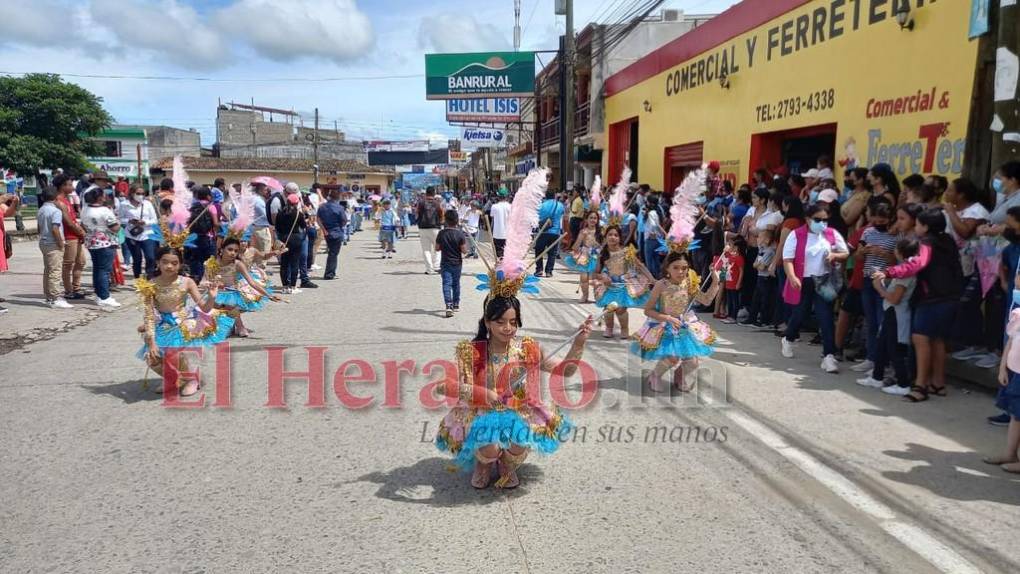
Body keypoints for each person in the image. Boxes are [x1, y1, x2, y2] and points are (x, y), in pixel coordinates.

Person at [877, 208, 964, 402]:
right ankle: (938, 384)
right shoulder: (947, 241)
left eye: (917, 224)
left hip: (931, 298)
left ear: (925, 227)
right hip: (951, 297)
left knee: (920, 338)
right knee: (937, 339)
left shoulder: (926, 243)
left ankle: (920, 386)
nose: (915, 227)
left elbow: (918, 264)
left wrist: (890, 272)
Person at [135, 246, 234, 397]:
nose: (169, 266)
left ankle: (192, 380)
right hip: (162, 325)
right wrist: (152, 341)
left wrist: (212, 297)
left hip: (181, 324)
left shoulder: (187, 282)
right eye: (165, 262)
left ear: (180, 264)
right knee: (152, 358)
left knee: (174, 355)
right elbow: (148, 315)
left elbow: (205, 308)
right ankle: (173, 379)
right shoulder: (150, 285)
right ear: (157, 263)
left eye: (174, 263)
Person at [633, 251, 721, 392]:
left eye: (684, 268)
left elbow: (706, 300)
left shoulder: (690, 283)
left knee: (693, 362)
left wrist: (715, 281)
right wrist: (668, 318)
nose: (680, 272)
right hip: (665, 326)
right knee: (672, 358)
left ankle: (679, 375)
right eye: (676, 267)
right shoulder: (661, 285)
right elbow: (648, 310)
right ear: (667, 268)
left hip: (684, 325)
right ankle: (655, 376)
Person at [781, 204, 850, 373]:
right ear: (807, 219)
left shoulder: (831, 234)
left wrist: (834, 255)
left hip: (824, 281)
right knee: (800, 313)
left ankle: (829, 356)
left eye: (825, 220)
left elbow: (845, 253)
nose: (822, 223)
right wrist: (792, 277)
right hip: (803, 281)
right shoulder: (796, 235)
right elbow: (787, 259)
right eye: (818, 220)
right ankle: (788, 338)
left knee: (825, 317)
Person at [944, 178, 995, 367]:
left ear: (961, 194)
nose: (947, 194)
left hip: (976, 265)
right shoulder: (954, 209)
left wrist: (950, 212)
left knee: (968, 303)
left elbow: (965, 232)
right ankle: (963, 342)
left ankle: (976, 343)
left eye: (951, 190)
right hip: (955, 265)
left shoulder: (977, 211)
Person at [857, 238, 919, 394]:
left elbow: (895, 298)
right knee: (882, 345)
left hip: (897, 313)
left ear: (900, 252)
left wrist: (879, 288)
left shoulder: (906, 272)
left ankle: (903, 384)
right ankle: (877, 377)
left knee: (894, 348)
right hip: (891, 311)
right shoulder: (902, 269)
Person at [854, 202, 899, 374]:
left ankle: (883, 361)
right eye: (876, 220)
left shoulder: (896, 235)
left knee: (882, 321)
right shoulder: (868, 232)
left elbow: (898, 261)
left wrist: (885, 254)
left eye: (883, 220)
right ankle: (871, 358)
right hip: (868, 279)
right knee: (871, 321)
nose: (879, 223)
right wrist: (863, 251)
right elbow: (858, 256)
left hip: (885, 280)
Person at [207, 237, 280, 337]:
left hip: (232, 293)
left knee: (230, 303)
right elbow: (204, 280)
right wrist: (211, 283)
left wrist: (268, 295)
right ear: (222, 249)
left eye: (236, 251)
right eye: (230, 249)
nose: (233, 253)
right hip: (216, 293)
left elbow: (252, 282)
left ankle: (240, 326)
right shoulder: (212, 263)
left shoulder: (238, 264)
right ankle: (230, 326)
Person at [596, 225, 654, 338]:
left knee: (620, 309)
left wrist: (652, 279)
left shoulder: (626, 252)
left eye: (616, 235)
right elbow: (595, 273)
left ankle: (624, 328)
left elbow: (640, 266)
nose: (613, 237)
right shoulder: (602, 254)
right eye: (610, 235)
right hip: (609, 287)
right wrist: (603, 277)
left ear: (620, 238)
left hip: (623, 286)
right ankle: (609, 328)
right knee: (608, 309)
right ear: (605, 237)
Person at [80, 187, 124, 308]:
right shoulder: (104, 210)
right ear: (99, 198)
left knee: (97, 269)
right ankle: (104, 296)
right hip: (105, 242)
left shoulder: (85, 209)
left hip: (92, 241)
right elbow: (114, 227)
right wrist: (119, 223)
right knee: (104, 270)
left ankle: (99, 294)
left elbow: (83, 225)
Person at [52, 174, 88, 300]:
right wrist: (81, 232)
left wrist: (80, 231)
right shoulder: (59, 202)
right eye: (69, 184)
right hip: (68, 236)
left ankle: (76, 287)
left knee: (81, 262)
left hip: (75, 234)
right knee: (68, 264)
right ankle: (68, 290)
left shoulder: (67, 199)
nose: (72, 187)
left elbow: (73, 220)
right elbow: (68, 222)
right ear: (62, 186)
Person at [36, 186, 72, 309]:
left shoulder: (41, 210)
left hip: (44, 242)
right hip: (53, 243)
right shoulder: (56, 211)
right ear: (56, 197)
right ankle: (55, 297)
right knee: (55, 271)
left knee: (48, 270)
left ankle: (49, 296)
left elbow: (39, 227)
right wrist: (61, 243)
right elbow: (55, 229)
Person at [118, 184, 159, 279]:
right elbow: (120, 219)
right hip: (132, 234)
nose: (141, 195)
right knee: (137, 259)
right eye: (138, 193)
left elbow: (154, 220)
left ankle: (150, 278)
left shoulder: (147, 204)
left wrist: (145, 222)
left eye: (142, 193)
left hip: (147, 234)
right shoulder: (124, 204)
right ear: (132, 193)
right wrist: (130, 221)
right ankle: (138, 279)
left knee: (150, 257)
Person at [564, 210, 602, 303]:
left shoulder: (600, 232)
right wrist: (581, 237)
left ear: (598, 220)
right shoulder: (583, 231)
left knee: (596, 278)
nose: (593, 220)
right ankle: (585, 295)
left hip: (597, 257)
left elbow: (605, 244)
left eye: (595, 218)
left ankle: (597, 296)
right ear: (586, 219)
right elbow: (575, 246)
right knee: (584, 277)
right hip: (585, 256)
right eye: (591, 218)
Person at [436, 209, 468, 317]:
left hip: (445, 263)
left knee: (446, 284)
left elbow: (437, 248)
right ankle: (456, 304)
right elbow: (464, 251)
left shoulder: (441, 233)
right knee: (456, 283)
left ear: (445, 220)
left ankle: (448, 305)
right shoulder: (460, 234)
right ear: (457, 220)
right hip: (457, 263)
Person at [743, 228, 777, 327]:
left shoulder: (770, 251)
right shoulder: (761, 250)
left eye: (760, 237)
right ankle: (752, 318)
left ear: (767, 240)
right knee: (756, 298)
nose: (757, 239)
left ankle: (764, 320)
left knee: (765, 299)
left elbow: (762, 267)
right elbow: (754, 265)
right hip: (760, 277)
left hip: (766, 278)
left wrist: (759, 264)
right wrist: (759, 264)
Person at [274, 193, 307, 294]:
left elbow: (277, 228)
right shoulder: (298, 214)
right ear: (297, 203)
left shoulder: (280, 213)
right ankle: (293, 286)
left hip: (283, 239)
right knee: (294, 263)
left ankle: (285, 286)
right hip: (296, 239)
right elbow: (303, 226)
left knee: (284, 263)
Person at [185, 186, 219, 284]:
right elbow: (216, 223)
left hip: (193, 238)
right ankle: (208, 282)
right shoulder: (211, 206)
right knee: (209, 261)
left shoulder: (192, 207)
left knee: (196, 261)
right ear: (208, 196)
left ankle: (196, 281)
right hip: (207, 238)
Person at [317, 188, 348, 280]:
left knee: (331, 252)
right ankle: (329, 273)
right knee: (333, 254)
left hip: (327, 232)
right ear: (337, 198)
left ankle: (331, 272)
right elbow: (344, 220)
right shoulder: (339, 208)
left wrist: (323, 229)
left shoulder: (322, 207)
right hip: (336, 232)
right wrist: (340, 226)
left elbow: (318, 219)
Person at [534, 188, 565, 277]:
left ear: (545, 195)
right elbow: (562, 215)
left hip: (543, 231)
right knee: (552, 253)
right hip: (555, 231)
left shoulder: (541, 205)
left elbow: (537, 217)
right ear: (554, 195)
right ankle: (549, 271)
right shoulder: (560, 205)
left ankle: (539, 270)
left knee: (539, 250)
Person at [721, 234, 746, 324]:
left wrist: (739, 283)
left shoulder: (739, 258)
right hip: (729, 282)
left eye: (731, 245)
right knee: (729, 300)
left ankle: (733, 316)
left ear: (736, 248)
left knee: (734, 300)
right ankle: (729, 315)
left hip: (734, 283)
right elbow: (725, 264)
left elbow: (741, 271)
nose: (729, 247)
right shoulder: (730, 257)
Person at [416, 187, 442, 273]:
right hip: (435, 228)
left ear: (426, 193)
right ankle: (437, 266)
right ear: (434, 193)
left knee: (426, 250)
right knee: (438, 248)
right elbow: (441, 214)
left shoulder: (421, 203)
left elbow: (416, 213)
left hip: (423, 228)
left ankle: (429, 269)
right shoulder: (437, 203)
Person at [490, 188, 512, 259]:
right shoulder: (510, 206)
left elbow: (492, 219)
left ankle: (501, 265)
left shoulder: (494, 206)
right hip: (508, 234)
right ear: (507, 197)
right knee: (507, 255)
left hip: (497, 234)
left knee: (499, 255)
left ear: (498, 197)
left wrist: (490, 230)